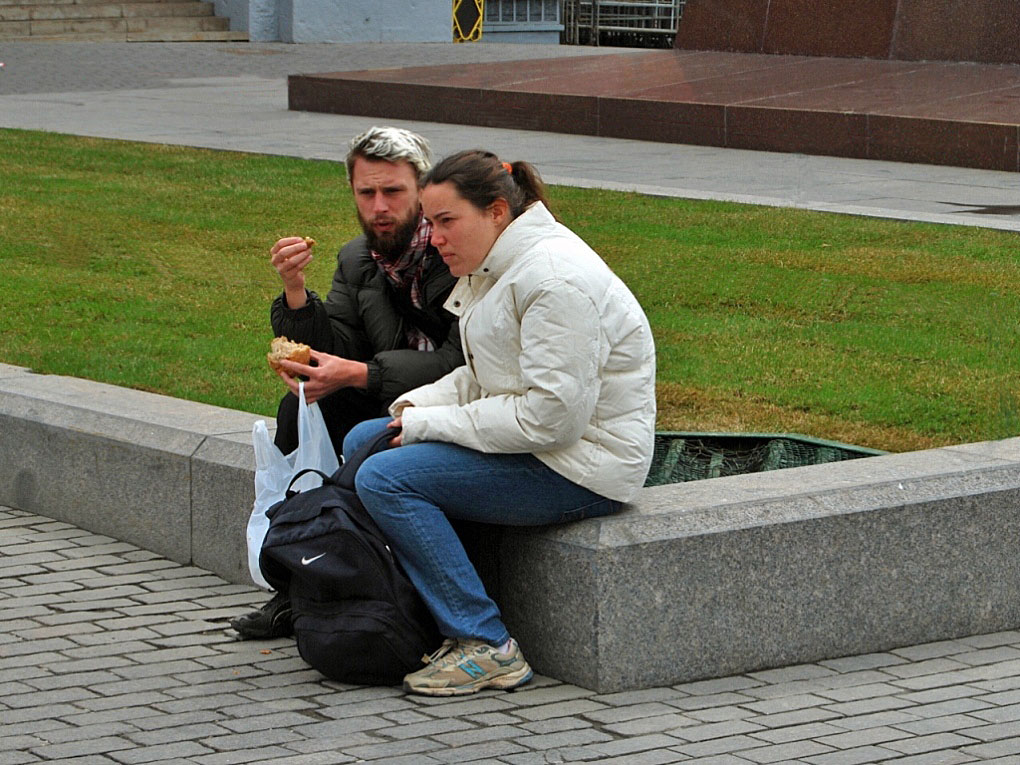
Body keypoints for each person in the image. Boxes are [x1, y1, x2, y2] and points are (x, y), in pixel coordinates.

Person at [342, 149, 657, 696]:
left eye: (445, 222)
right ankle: (412, 612)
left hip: (582, 466)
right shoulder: (498, 267)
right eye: (429, 223)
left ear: (495, 212)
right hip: (544, 448)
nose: (434, 238)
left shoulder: (554, 279)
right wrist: (410, 410)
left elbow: (550, 419)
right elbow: (483, 375)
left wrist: (430, 427)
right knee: (363, 438)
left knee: (384, 476)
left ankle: (486, 644)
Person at [230, 126, 464, 641]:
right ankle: (294, 583)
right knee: (300, 407)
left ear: (423, 189)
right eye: (367, 193)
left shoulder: (455, 250)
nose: (379, 206)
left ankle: (352, 585)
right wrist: (295, 295)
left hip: (458, 408)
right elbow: (336, 342)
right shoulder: (357, 258)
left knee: (355, 426)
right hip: (389, 398)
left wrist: (359, 374)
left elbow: (463, 361)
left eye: (393, 192)